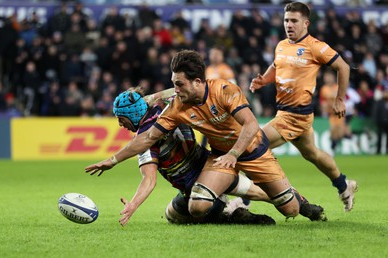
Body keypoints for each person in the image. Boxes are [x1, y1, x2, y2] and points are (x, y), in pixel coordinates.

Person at [86, 50, 325, 223]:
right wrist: (113, 160)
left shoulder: (224, 90)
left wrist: (234, 153)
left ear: (198, 81)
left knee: (290, 210)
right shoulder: (176, 107)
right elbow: (147, 137)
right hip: (220, 158)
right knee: (197, 206)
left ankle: (298, 201)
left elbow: (251, 125)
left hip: (253, 151)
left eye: (179, 84)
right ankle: (234, 214)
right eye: (174, 85)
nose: (176, 91)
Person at [249, 2, 357, 212]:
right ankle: (345, 186)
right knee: (313, 154)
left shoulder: (315, 46)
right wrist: (264, 80)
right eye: (286, 20)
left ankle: (243, 200)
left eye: (294, 21)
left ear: (306, 23)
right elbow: (277, 65)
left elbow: (343, 66)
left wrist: (339, 99)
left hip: (294, 116)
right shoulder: (281, 45)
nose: (289, 24)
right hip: (287, 112)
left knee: (254, 146)